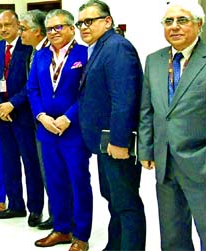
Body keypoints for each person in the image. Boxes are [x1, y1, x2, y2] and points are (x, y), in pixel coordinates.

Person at [77, 1, 146, 250]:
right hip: (103, 142)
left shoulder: (117, 48)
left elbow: (124, 99)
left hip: (116, 143)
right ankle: (115, 245)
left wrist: (119, 141)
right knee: (113, 199)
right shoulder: (100, 47)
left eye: (89, 21)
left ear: (107, 21)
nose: (83, 27)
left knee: (126, 203)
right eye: (80, 23)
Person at [139, 1, 206, 250]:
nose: (174, 26)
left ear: (199, 24)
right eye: (168, 21)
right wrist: (146, 149)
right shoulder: (154, 60)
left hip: (202, 163)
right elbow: (148, 110)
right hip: (165, 163)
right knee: (172, 232)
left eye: (182, 20)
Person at [27, 9, 93, 251]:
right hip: (47, 130)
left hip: (73, 131)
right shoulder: (41, 56)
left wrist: (68, 117)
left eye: (59, 27)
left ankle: (81, 235)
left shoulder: (84, 54)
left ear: (71, 28)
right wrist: (41, 116)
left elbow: (87, 92)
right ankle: (61, 229)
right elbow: (32, 89)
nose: (53, 32)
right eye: (49, 29)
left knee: (78, 181)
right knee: (54, 181)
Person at [0, 10, 44, 226]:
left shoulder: (28, 48)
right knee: (9, 162)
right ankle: (15, 205)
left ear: (17, 25)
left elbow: (31, 84)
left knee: (31, 163)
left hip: (23, 115)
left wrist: (12, 104)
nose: (3, 29)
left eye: (7, 25)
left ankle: (36, 209)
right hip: (3, 117)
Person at [19, 9, 54, 231]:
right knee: (42, 169)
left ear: (37, 31)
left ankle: (58, 215)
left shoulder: (51, 53)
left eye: (23, 29)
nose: (20, 33)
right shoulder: (32, 53)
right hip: (34, 121)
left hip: (51, 122)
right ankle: (53, 212)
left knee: (53, 172)